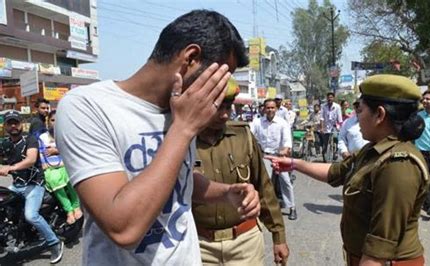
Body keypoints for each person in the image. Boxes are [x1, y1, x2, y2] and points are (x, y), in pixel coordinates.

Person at [55, 10, 260, 265]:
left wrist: (225, 192)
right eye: (219, 77)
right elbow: (124, 228)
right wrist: (183, 128)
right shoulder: (86, 107)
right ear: (191, 58)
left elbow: (178, 179)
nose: (220, 90)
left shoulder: (182, 110)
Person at [266, 74, 430, 266]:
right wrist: (295, 164)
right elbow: (336, 172)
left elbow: (380, 246)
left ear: (380, 115)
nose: (355, 117)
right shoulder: (373, 150)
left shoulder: (398, 164)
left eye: (359, 110)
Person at [193, 82, 289, 265]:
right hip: (199, 246)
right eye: (217, 106)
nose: (224, 114)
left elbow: (264, 188)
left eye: (228, 106)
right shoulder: (182, 141)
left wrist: (279, 236)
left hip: (245, 244)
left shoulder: (243, 136)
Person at [0, 110, 64, 264]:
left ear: (21, 124)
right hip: (17, 185)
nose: (14, 126)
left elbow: (30, 159)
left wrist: (10, 167)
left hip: (34, 185)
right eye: (10, 123)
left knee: (31, 215)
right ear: (6, 126)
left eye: (16, 122)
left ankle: (54, 243)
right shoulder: (6, 143)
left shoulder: (30, 140)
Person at [251, 99, 297, 220]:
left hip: (280, 156)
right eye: (268, 108)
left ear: (276, 109)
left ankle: (292, 207)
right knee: (265, 182)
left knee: (286, 181)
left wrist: (285, 150)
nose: (270, 110)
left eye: (272, 108)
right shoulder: (257, 122)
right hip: (265, 156)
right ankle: (266, 208)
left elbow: (287, 141)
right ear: (264, 109)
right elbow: (250, 134)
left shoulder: (282, 123)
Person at [38, 110, 82, 224]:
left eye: (58, 120)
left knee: (71, 180)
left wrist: (56, 151)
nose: (55, 123)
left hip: (66, 164)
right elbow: (42, 154)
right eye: (52, 120)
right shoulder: (43, 137)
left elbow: (72, 151)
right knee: (53, 180)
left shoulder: (67, 135)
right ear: (48, 122)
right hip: (50, 167)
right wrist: (47, 165)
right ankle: (69, 210)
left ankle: (76, 206)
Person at [321, 92, 343, 162]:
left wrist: (340, 127)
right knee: (325, 144)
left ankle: (335, 151)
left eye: (331, 97)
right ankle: (324, 158)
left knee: (336, 139)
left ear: (333, 98)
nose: (329, 99)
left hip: (335, 126)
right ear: (327, 98)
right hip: (326, 127)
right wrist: (322, 127)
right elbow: (321, 118)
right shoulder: (323, 106)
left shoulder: (337, 106)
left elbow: (340, 119)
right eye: (328, 97)